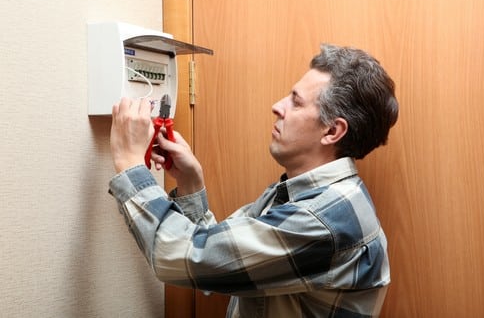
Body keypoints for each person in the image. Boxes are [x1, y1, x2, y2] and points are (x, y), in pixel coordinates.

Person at [109, 44, 399, 318]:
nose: (277, 106)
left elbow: (177, 255)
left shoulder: (322, 221)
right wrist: (190, 184)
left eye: (295, 102)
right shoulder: (306, 196)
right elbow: (219, 264)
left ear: (332, 131)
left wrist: (131, 164)